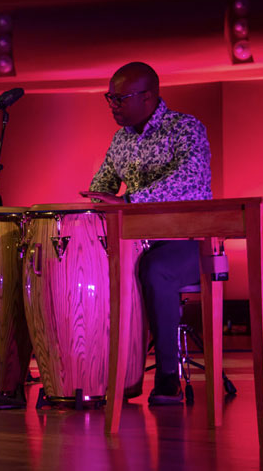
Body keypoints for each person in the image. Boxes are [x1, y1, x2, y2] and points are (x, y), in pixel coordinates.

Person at [81, 62, 212, 405]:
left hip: (188, 242)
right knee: (90, 266)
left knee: (155, 269)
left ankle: (168, 377)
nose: (113, 105)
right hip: (139, 240)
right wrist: (95, 201)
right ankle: (103, 373)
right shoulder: (121, 139)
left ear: (149, 96)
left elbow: (188, 182)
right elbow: (102, 185)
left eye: (120, 98)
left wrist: (128, 201)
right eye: (110, 98)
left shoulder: (185, 128)